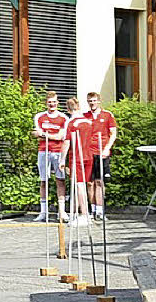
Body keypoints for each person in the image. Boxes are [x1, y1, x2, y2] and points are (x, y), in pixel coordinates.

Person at [32, 91, 68, 223]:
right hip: (43, 151)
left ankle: (62, 212)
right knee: (43, 181)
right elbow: (36, 133)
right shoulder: (39, 117)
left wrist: (45, 135)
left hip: (58, 151)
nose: (52, 104)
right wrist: (49, 135)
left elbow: (61, 137)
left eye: (54, 102)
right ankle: (43, 212)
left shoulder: (64, 118)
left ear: (57, 102)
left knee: (60, 180)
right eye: (49, 102)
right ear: (46, 103)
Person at [84, 92, 117, 222]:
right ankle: (92, 210)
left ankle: (100, 210)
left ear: (99, 101)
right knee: (90, 182)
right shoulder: (85, 116)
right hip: (89, 152)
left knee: (100, 181)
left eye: (94, 100)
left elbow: (113, 133)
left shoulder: (107, 115)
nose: (92, 103)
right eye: (89, 101)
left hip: (101, 151)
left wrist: (107, 148)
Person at [60, 98, 92, 226]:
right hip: (89, 156)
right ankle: (78, 213)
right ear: (79, 107)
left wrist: (62, 159)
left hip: (77, 157)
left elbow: (67, 142)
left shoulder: (71, 123)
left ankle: (84, 214)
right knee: (83, 184)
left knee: (79, 185)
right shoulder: (88, 121)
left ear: (68, 110)